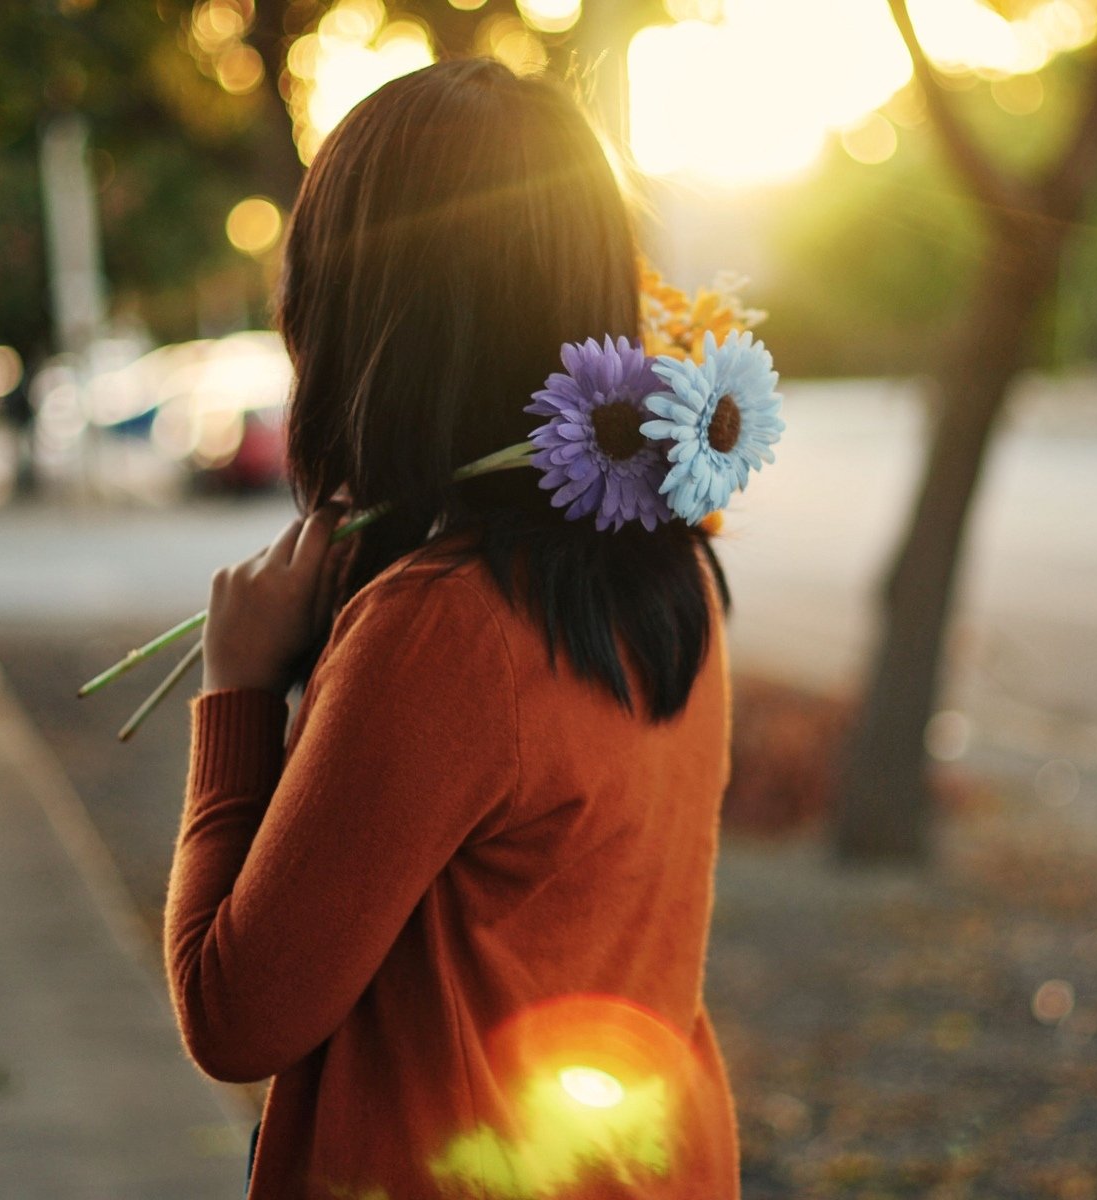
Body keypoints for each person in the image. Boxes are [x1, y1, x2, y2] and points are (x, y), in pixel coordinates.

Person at [164, 58, 740, 1199]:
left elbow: (235, 1014)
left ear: (360, 309)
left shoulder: (446, 624)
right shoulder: (674, 567)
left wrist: (234, 690)